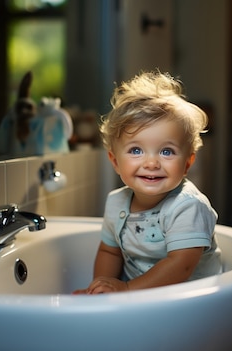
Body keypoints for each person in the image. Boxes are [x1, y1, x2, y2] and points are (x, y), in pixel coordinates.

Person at [74, 71, 221, 294]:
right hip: (140, 296)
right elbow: (110, 252)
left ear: (188, 163)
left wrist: (126, 288)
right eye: (136, 150)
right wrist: (100, 288)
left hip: (191, 300)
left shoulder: (188, 206)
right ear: (115, 161)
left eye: (166, 151)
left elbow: (181, 265)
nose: (151, 163)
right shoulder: (116, 202)